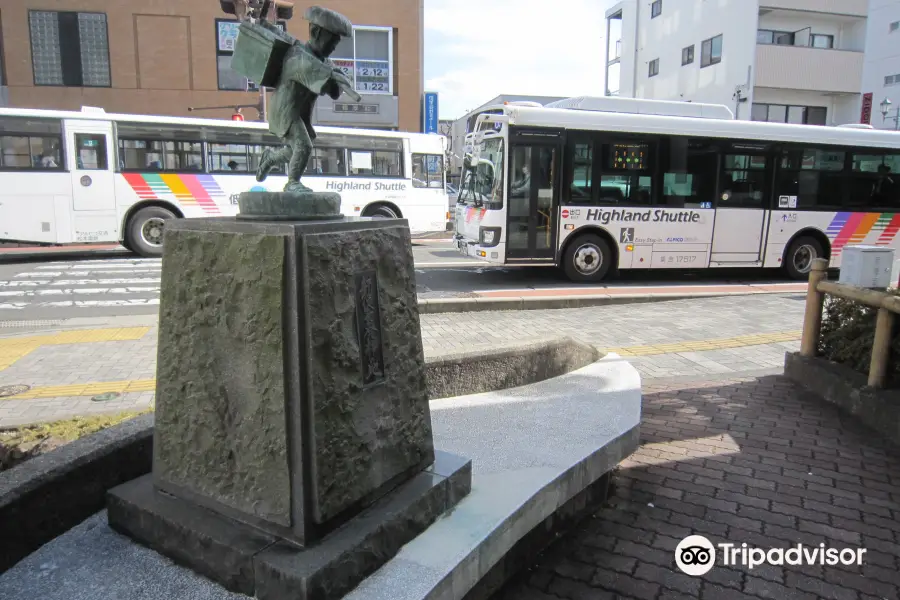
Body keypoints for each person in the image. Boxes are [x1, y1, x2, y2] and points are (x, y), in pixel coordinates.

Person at [255, 6, 361, 193]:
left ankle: (270, 158)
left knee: (293, 149)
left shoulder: (324, 62)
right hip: (284, 110)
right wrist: (333, 76)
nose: (334, 47)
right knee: (304, 145)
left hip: (300, 111)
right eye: (331, 41)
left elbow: (334, 91)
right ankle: (292, 183)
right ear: (315, 32)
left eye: (336, 43)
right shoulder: (298, 56)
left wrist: (338, 79)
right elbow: (314, 72)